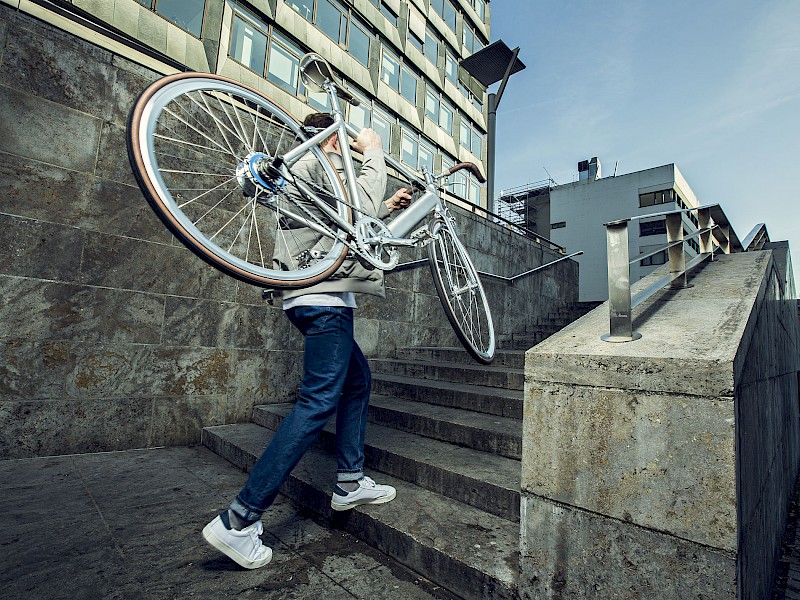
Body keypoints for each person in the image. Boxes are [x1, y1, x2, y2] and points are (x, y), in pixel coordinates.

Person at [202, 113, 413, 570]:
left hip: (315, 298)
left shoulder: (319, 174)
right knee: (318, 402)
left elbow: (340, 224)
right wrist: (375, 149)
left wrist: (386, 207)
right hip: (322, 301)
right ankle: (240, 520)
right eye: (348, 135)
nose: (354, 142)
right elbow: (350, 210)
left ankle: (351, 481)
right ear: (333, 137)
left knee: (356, 382)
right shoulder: (315, 163)